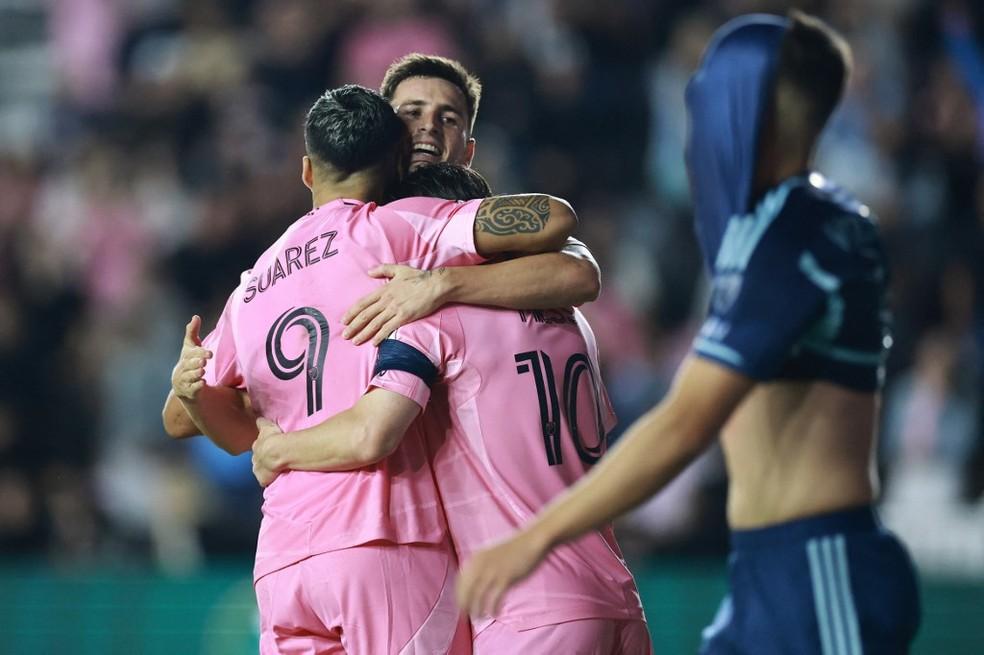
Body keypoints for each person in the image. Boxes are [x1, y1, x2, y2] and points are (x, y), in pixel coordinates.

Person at [457, 12, 921, 655]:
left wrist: (534, 538)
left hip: (820, 574)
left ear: (748, 102)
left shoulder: (794, 236)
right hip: (767, 569)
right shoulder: (804, 225)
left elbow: (685, 422)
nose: (695, 105)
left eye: (708, 85)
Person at [168, 84, 579, 654]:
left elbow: (180, 414)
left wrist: (194, 395)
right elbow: (551, 221)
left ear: (308, 171)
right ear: (393, 164)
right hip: (384, 540)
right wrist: (442, 278)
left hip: (284, 561)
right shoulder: (401, 226)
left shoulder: (254, 283)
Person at [250, 162, 653, 654]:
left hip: (526, 610)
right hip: (615, 597)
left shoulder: (436, 322)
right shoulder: (575, 325)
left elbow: (370, 433)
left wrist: (278, 449)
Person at [338, 52, 602, 347]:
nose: (430, 126)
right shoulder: (356, 223)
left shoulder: (492, 228)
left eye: (448, 118)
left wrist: (442, 283)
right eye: (412, 113)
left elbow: (580, 273)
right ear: (382, 134)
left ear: (468, 153)